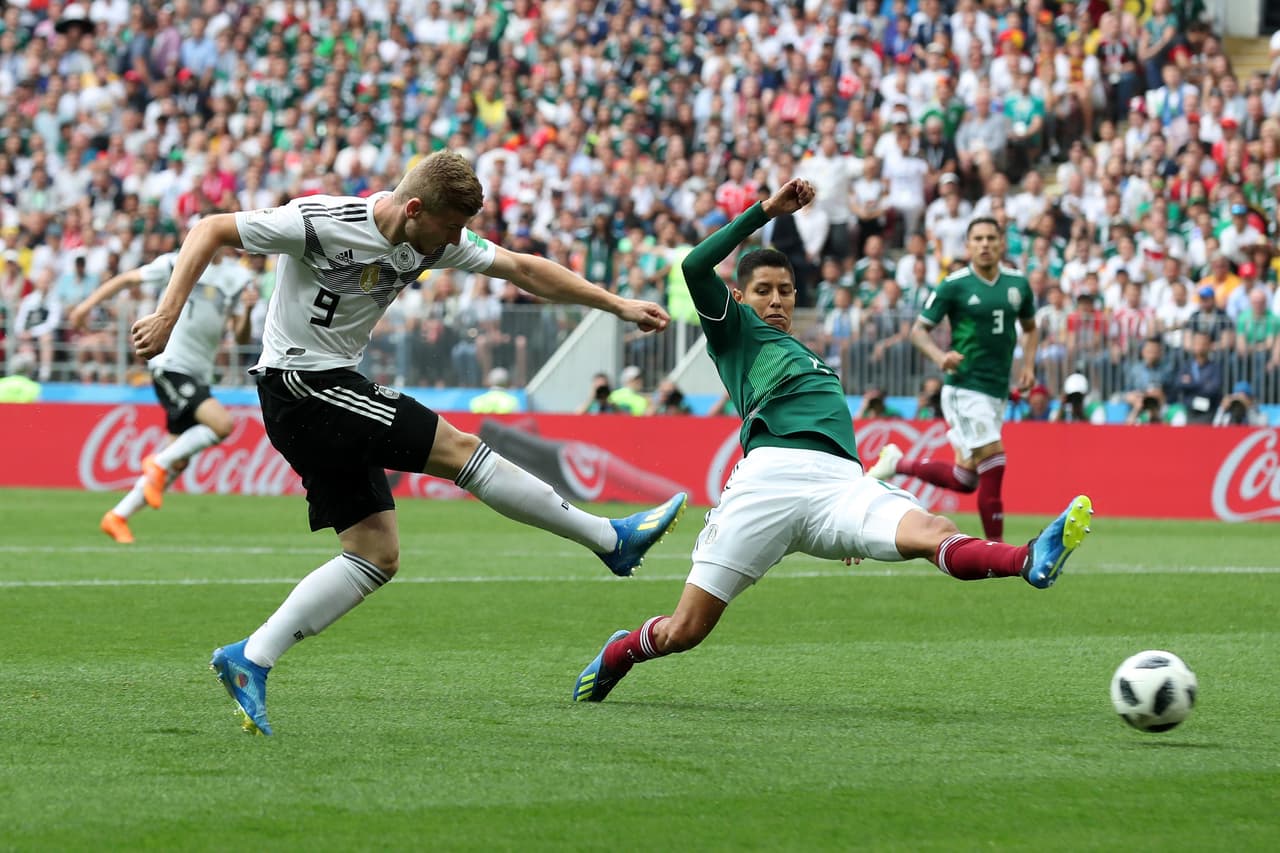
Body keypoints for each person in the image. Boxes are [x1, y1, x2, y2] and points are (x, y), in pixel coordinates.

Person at [130, 151, 687, 735]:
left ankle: (251, 659)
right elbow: (211, 227)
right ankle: (610, 539)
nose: (456, 240)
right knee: (460, 449)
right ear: (415, 208)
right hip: (303, 384)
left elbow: (522, 268)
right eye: (450, 227)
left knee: (374, 556)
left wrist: (616, 305)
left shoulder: (432, 239)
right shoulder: (321, 221)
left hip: (318, 392)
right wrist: (167, 314)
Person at [572, 179, 1092, 704]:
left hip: (842, 487)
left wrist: (851, 505)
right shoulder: (735, 330)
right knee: (684, 631)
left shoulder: (811, 357)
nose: (776, 300)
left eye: (785, 291)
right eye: (763, 290)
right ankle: (623, 650)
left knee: (932, 530)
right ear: (739, 296)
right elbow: (693, 268)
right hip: (767, 483)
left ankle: (1027, 560)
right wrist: (766, 210)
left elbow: (835, 440)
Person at [867, 217, 1039, 543]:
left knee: (967, 478)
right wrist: (939, 356)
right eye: (978, 239)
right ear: (968, 246)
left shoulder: (1018, 284)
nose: (985, 244)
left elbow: (1031, 328)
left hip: (997, 390)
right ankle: (998, 551)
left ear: (1002, 243)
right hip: (965, 387)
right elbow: (919, 332)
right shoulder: (954, 284)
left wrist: (1028, 365)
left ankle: (897, 462)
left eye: (991, 238)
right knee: (994, 459)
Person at [69, 248, 258, 544]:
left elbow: (242, 337)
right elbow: (127, 279)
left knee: (177, 462)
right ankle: (157, 463)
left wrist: (247, 310)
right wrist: (85, 307)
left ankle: (117, 516)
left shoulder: (237, 277)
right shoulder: (177, 261)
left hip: (199, 373)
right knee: (222, 425)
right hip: (170, 363)